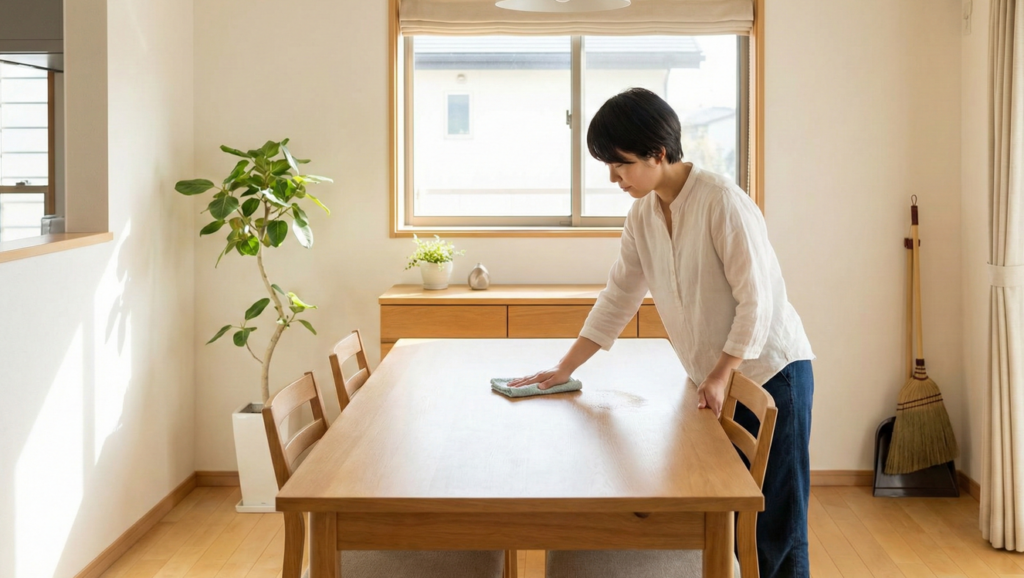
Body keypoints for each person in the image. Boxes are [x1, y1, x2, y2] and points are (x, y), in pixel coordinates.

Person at [508, 87, 815, 578]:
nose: (613, 176)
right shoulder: (644, 214)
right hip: (717, 377)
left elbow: (756, 303)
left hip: (769, 371)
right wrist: (563, 369)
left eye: (620, 163)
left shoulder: (722, 203)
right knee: (727, 513)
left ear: (659, 153)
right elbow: (618, 297)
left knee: (774, 520)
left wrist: (718, 374)